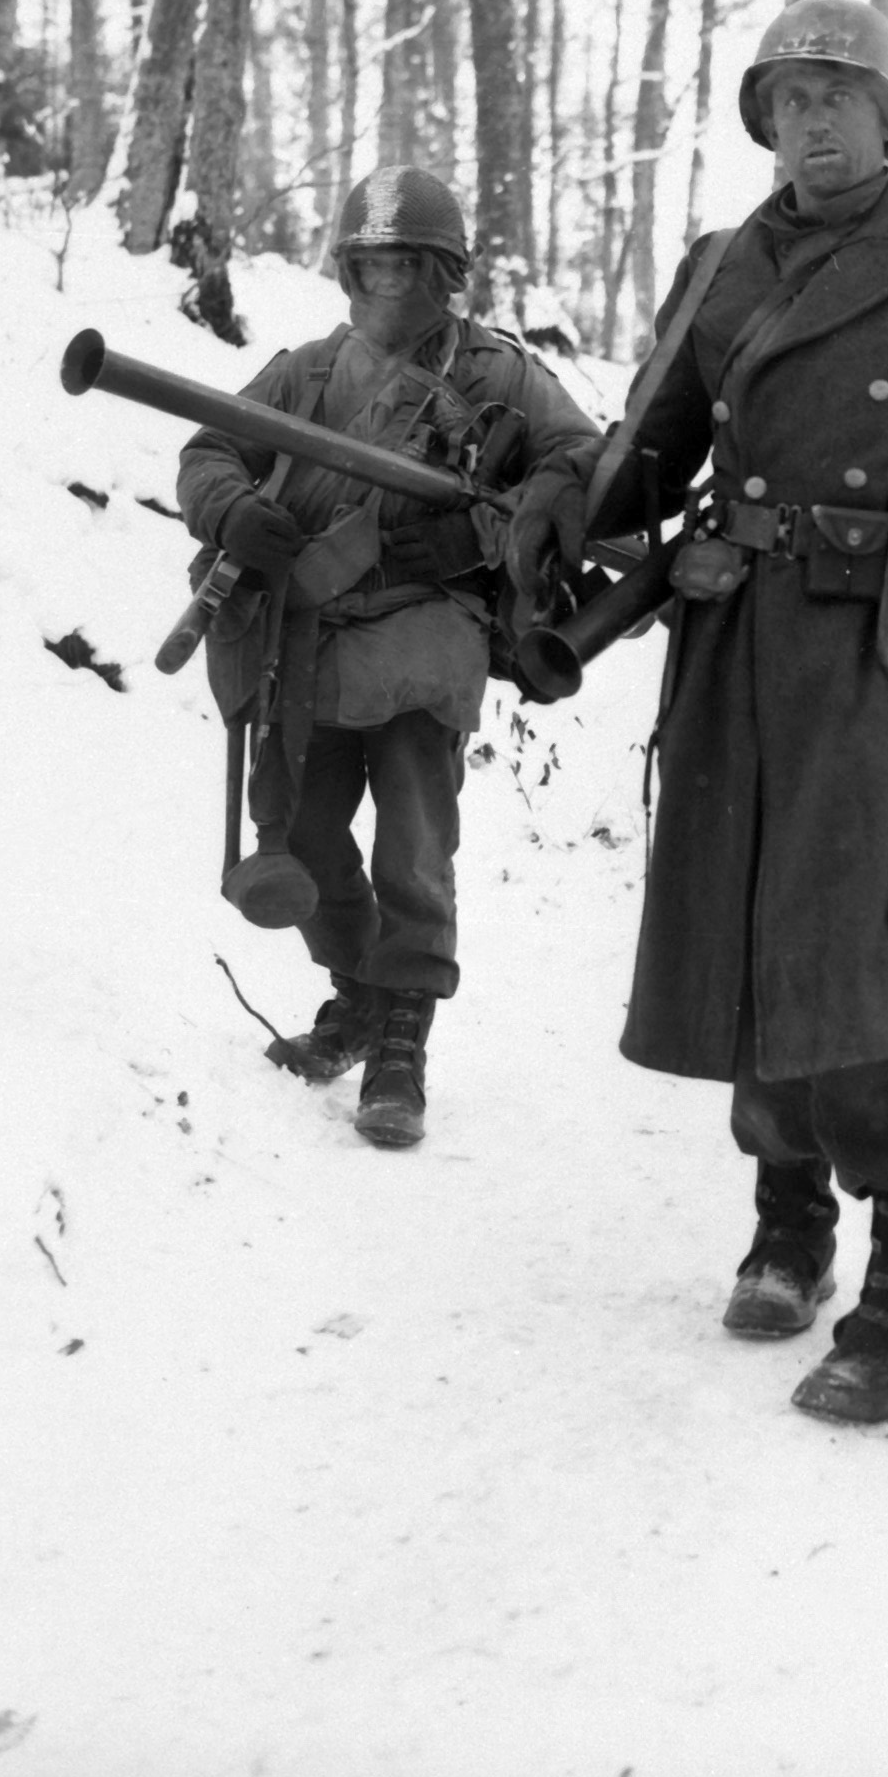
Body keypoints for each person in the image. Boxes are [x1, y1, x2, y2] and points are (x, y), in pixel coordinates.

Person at [508, 0, 888, 1425]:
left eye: (841, 93)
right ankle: (788, 1216)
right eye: (789, 97)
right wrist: (544, 498)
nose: (814, 118)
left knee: (861, 955)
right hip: (735, 644)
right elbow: (646, 460)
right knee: (743, 939)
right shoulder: (720, 270)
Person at [178, 165, 600, 1148]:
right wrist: (235, 509)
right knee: (306, 840)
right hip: (308, 646)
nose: (389, 288)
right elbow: (209, 451)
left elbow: (579, 460)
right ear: (346, 272)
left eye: (409, 267)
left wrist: (511, 517)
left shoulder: (501, 376)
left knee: (413, 847)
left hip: (426, 641)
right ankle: (359, 994)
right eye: (371, 267)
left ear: (446, 274)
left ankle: (402, 1038)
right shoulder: (307, 372)